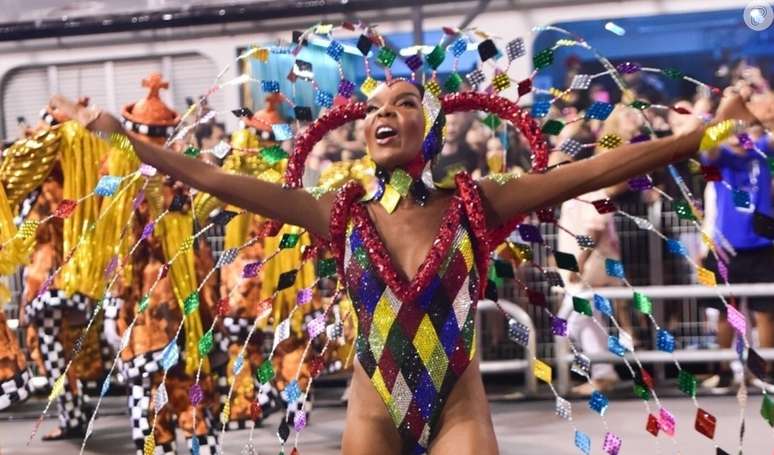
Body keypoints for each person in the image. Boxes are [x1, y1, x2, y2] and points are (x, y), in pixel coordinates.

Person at [50, 78, 760, 454]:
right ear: (362, 131)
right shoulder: (335, 211)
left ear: (432, 126)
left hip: (457, 407)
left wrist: (700, 135)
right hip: (371, 410)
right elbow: (215, 179)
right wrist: (133, 144)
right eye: (373, 108)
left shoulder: (481, 203)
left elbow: (594, 169)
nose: (384, 113)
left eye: (404, 102)